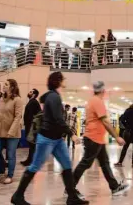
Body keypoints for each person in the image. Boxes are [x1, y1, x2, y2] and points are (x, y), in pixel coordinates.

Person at [11, 72, 87, 205]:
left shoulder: (54, 96)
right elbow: (58, 119)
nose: (65, 81)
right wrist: (72, 134)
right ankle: (18, 196)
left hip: (57, 139)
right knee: (35, 166)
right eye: (63, 79)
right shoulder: (53, 97)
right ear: (58, 81)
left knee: (67, 165)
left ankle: (72, 197)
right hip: (47, 138)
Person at [72, 81, 129, 196]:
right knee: (86, 163)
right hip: (93, 138)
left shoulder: (92, 101)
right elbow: (105, 122)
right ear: (103, 91)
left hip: (97, 139)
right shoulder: (97, 102)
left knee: (105, 163)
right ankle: (70, 188)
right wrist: (116, 137)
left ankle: (114, 187)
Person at [114, 99, 133, 168]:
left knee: (125, 147)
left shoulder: (128, 110)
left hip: (128, 131)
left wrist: (127, 126)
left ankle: (120, 162)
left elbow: (122, 119)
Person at [20, 89, 41, 167]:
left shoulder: (34, 102)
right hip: (30, 126)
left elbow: (32, 116)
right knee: (31, 145)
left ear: (34, 94)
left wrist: (30, 127)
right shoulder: (32, 101)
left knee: (32, 144)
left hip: (32, 127)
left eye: (31, 92)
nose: (29, 92)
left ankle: (31, 161)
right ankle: (29, 160)